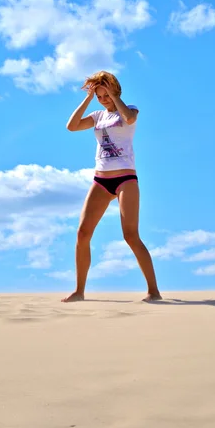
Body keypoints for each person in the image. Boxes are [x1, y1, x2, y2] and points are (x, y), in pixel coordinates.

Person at [61, 71, 162, 303]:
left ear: (115, 91)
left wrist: (115, 97)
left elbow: (129, 119)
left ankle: (153, 291)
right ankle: (79, 291)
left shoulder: (130, 108)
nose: (103, 99)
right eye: (100, 96)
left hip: (126, 178)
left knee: (130, 235)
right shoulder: (96, 116)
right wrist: (88, 98)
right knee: (83, 233)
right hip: (101, 180)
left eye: (106, 94)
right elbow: (72, 126)